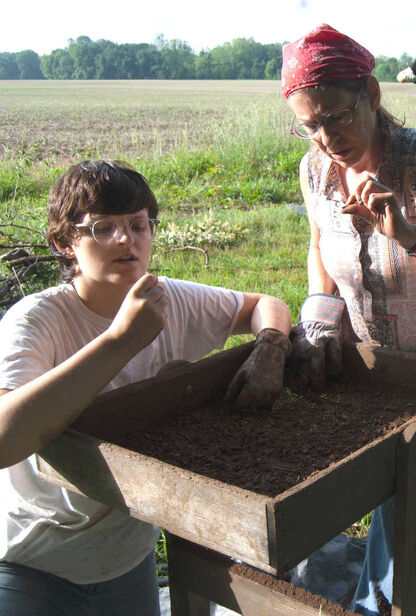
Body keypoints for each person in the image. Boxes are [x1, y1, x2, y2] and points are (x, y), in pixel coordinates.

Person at [0, 160, 292, 616]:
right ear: (64, 244)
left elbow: (263, 304)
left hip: (127, 558)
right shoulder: (36, 321)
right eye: (103, 227)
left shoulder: (166, 299)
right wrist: (121, 340)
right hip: (31, 562)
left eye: (138, 225)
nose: (126, 239)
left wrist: (272, 344)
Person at [281, 24, 416, 615]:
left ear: (373, 95)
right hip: (375, 361)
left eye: (338, 117)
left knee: (401, 470)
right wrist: (320, 318)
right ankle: (408, 591)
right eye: (310, 124)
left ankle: (393, 601)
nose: (327, 137)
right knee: (378, 477)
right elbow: (318, 248)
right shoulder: (315, 170)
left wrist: (408, 234)